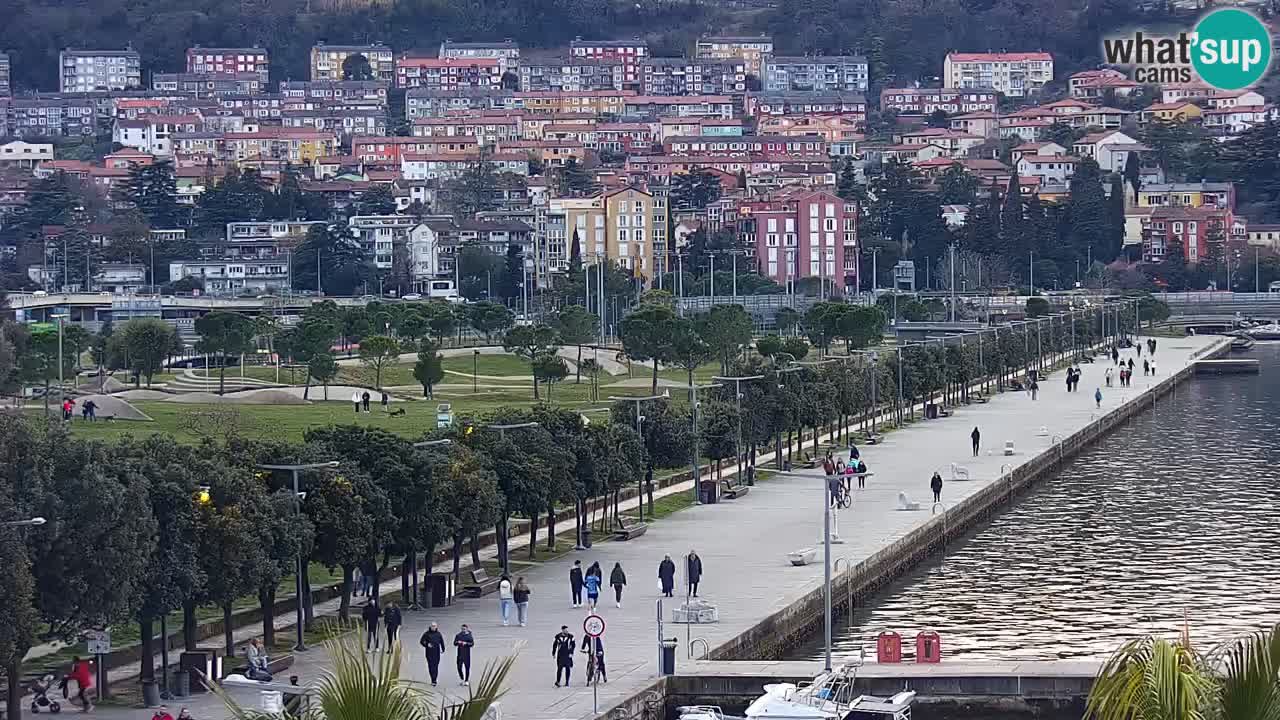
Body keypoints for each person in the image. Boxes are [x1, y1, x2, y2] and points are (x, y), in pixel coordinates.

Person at [419, 622, 445, 686]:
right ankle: (433, 679)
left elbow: (442, 642)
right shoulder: (426, 634)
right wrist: (427, 644)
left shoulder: (438, 634)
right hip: (429, 653)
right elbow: (421, 641)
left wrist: (443, 649)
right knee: (431, 666)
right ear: (430, 627)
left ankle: (435, 679)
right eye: (432, 626)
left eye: (434, 626)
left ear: (436, 627)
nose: (433, 627)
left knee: (436, 666)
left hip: (436, 652)